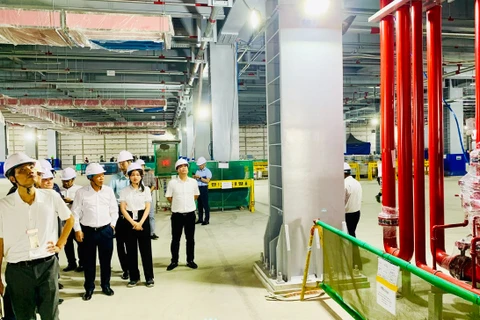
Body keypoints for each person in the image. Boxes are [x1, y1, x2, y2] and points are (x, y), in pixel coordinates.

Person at [0, 152, 74, 319]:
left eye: (31, 167)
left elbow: (69, 219)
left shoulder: (51, 197)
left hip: (47, 266)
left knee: (51, 315)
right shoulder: (4, 206)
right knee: (24, 316)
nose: (30, 171)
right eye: (22, 169)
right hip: (18, 270)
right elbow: (0, 242)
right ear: (13, 178)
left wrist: (60, 244)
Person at [72, 163, 118, 301]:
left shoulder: (108, 191)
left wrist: (112, 225)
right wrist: (78, 230)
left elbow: (114, 210)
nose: (101, 178)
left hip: (105, 231)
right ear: (90, 178)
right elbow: (75, 213)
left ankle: (105, 285)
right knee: (88, 262)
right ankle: (89, 288)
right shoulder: (81, 193)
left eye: (102, 175)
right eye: (98, 176)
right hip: (88, 232)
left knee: (106, 261)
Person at [120, 162, 154, 288]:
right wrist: (133, 222)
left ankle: (149, 277)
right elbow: (123, 208)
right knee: (131, 250)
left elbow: (147, 207)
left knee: (146, 250)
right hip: (129, 221)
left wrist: (140, 222)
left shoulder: (146, 191)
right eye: (132, 175)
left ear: (141, 176)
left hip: (143, 220)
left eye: (137, 175)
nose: (135, 177)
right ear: (129, 176)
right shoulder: (124, 191)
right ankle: (134, 277)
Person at [165, 159, 200, 271]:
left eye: (185, 166)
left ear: (187, 168)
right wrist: (179, 204)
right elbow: (169, 197)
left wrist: (187, 204)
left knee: (190, 239)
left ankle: (190, 260)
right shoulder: (172, 183)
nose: (183, 168)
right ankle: (174, 261)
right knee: (175, 239)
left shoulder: (193, 182)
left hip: (190, 214)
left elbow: (196, 195)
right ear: (177, 169)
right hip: (177, 215)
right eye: (180, 166)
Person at [109, 150, 134, 280]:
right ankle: (125, 269)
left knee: (131, 242)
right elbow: (110, 196)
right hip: (118, 213)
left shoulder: (134, 177)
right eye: (119, 163)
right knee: (120, 243)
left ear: (130, 162)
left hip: (132, 212)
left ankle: (132, 267)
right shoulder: (115, 179)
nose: (121, 166)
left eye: (123, 163)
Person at [60, 167, 84, 272]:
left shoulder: (79, 190)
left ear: (73, 179)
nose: (65, 183)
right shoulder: (59, 191)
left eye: (67, 181)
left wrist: (72, 201)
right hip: (64, 221)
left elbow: (84, 205)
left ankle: (82, 263)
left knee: (81, 243)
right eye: (64, 181)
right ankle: (71, 263)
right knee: (67, 244)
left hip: (77, 221)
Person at [344, 162, 363, 269]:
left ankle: (355, 262)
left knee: (349, 238)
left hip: (348, 215)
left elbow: (341, 202)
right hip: (356, 213)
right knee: (352, 235)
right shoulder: (356, 182)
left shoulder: (345, 185)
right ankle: (356, 261)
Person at [137, 159, 159, 240]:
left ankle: (152, 233)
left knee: (151, 216)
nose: (141, 167)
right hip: (138, 199)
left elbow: (154, 185)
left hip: (148, 198)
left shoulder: (149, 175)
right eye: (140, 166)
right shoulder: (135, 176)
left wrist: (148, 192)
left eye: (142, 166)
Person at [192, 157, 212, 225]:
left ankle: (206, 220)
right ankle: (200, 219)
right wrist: (195, 177)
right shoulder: (198, 171)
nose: (199, 166)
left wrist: (200, 177)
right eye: (199, 165)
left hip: (204, 188)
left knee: (205, 205)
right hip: (198, 188)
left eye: (200, 165)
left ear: (204, 164)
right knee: (199, 205)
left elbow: (207, 181)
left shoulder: (208, 171)